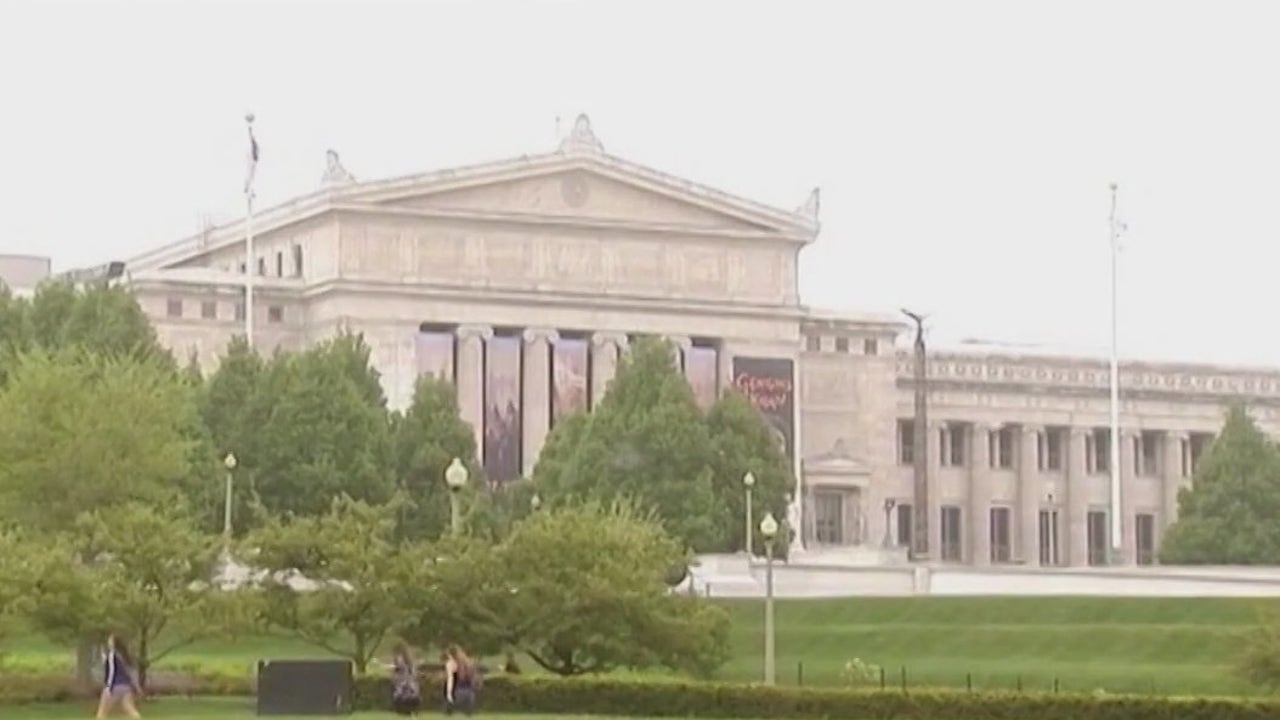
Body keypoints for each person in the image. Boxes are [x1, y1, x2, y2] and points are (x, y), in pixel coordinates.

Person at [95, 633, 142, 719]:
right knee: (130, 709)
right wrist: (136, 686)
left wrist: (108, 688)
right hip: (126, 687)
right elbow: (130, 672)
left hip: (115, 686)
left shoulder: (112, 655)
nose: (108, 642)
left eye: (110, 640)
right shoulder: (124, 656)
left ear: (114, 643)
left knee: (102, 712)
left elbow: (111, 672)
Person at [384, 642, 421, 716]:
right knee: (409, 695)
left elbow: (398, 666)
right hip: (409, 680)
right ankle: (411, 711)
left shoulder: (400, 658)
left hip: (403, 680)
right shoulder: (408, 659)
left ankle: (404, 711)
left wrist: (388, 667)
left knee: (400, 695)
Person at [442, 644, 477, 715]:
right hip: (470, 694)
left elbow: (451, 680)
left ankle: (449, 711)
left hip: (457, 693)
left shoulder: (452, 664)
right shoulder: (468, 663)